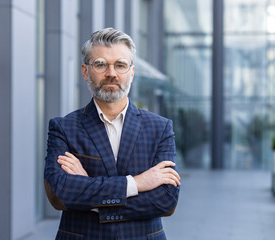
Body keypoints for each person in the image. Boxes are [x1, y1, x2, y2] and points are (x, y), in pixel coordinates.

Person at [44, 27, 180, 240]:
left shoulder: (160, 128)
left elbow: (166, 199)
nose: (111, 73)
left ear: (131, 72)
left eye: (120, 65)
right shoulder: (64, 128)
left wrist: (89, 190)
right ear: (85, 70)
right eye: (100, 64)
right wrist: (137, 183)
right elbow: (62, 192)